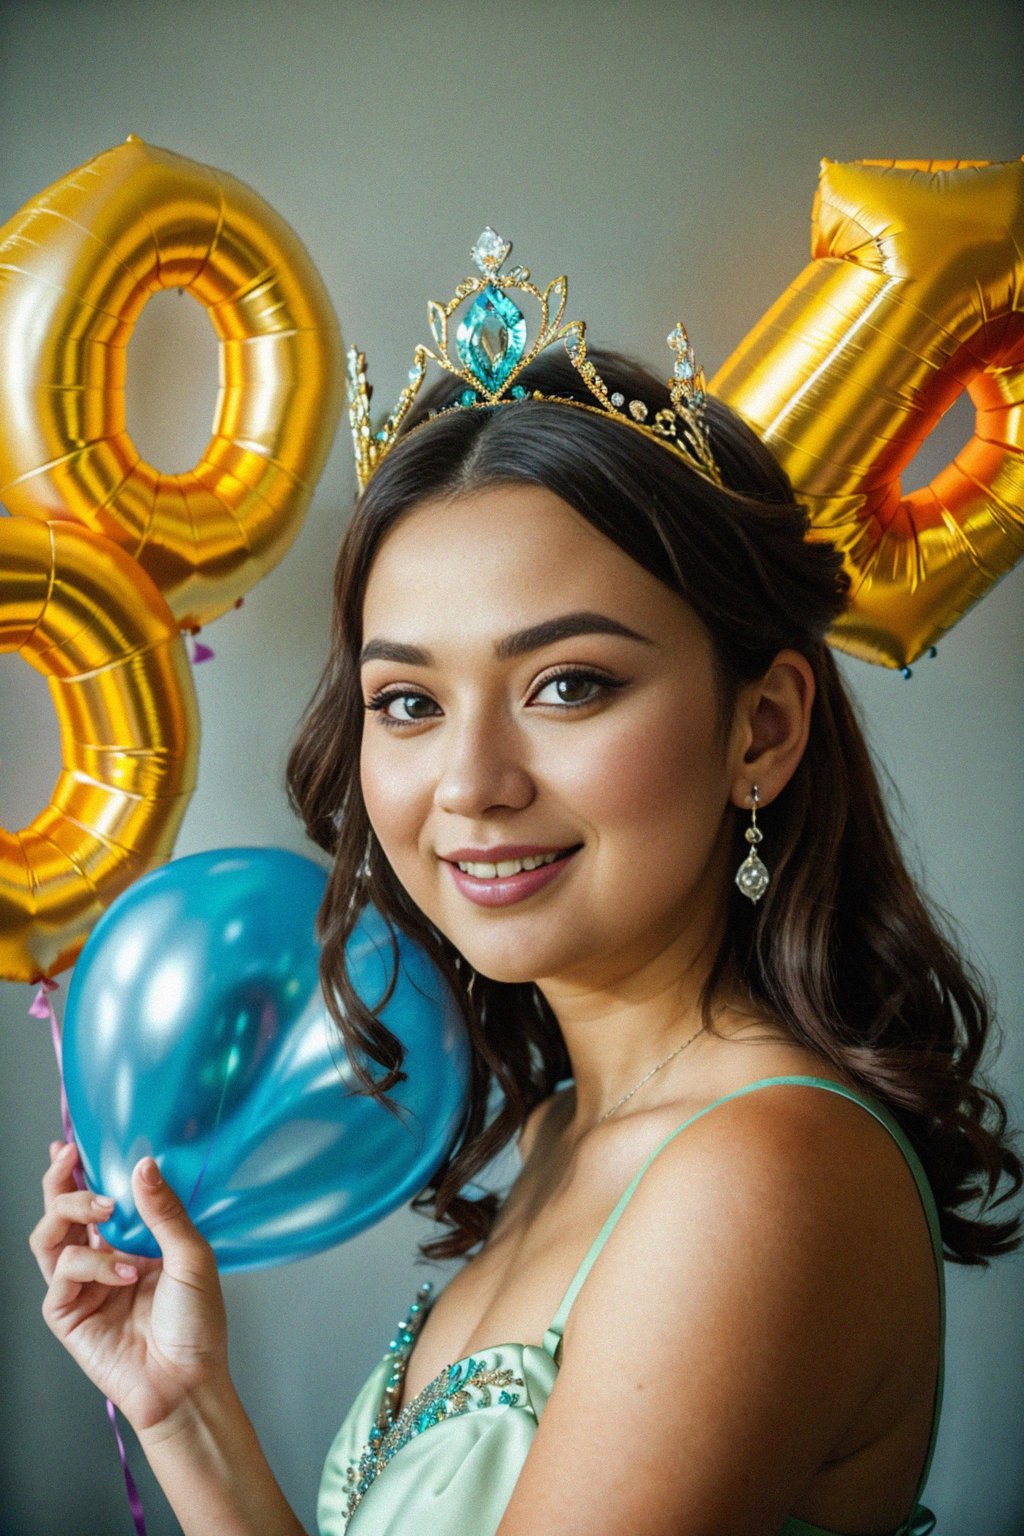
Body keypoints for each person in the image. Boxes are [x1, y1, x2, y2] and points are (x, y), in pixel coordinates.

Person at [30, 236, 1022, 1536]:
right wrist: (187, 1413)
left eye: (569, 685)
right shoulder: (564, 1132)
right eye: (408, 702)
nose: (471, 783)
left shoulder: (764, 1171)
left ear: (762, 730)